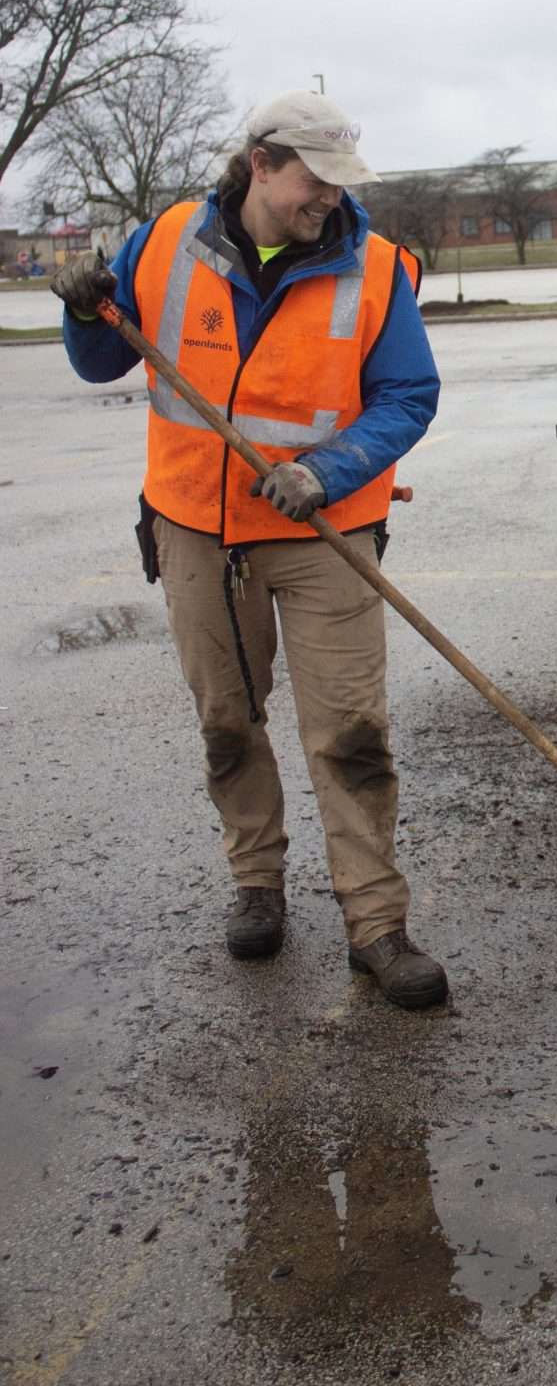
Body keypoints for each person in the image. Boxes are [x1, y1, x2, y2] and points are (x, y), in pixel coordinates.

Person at [52, 93, 447, 1010]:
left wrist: (330, 467)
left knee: (352, 734)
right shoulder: (161, 244)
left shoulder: (378, 268)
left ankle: (377, 926)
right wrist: (82, 311)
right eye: (314, 178)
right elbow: (99, 361)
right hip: (197, 530)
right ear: (262, 163)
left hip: (323, 532)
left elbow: (407, 396)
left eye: (341, 182)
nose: (329, 199)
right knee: (229, 724)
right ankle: (256, 884)